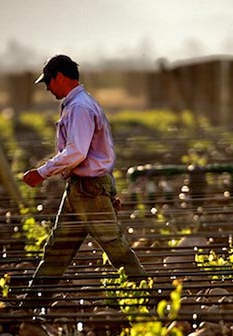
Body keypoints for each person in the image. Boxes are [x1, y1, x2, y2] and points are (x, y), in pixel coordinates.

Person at [19, 54, 148, 311]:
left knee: (116, 249)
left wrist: (42, 172)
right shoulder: (79, 103)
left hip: (88, 191)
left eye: (48, 82)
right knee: (57, 250)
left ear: (60, 77)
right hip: (82, 189)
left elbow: (77, 152)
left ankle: (153, 299)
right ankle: (30, 307)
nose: (47, 88)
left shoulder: (79, 107)